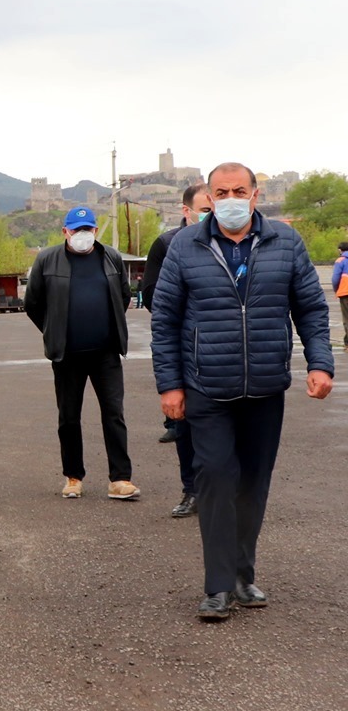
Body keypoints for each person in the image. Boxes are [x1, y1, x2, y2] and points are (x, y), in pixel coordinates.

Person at [151, 162, 333, 622]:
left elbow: (311, 308)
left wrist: (320, 363)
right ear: (209, 199)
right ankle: (217, 586)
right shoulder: (185, 247)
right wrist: (170, 385)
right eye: (221, 192)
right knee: (214, 477)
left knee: (253, 483)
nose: (230, 199)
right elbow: (165, 321)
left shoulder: (285, 242)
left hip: (265, 385)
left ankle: (241, 575)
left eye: (238, 190)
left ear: (254, 195)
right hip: (206, 386)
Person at [24, 206, 140, 501]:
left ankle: (120, 479)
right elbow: (33, 303)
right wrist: (53, 329)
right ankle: (73, 477)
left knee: (114, 414)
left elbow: (124, 295)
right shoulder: (47, 259)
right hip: (67, 355)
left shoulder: (111, 257)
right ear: (65, 231)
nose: (82, 234)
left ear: (95, 230)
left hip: (106, 354)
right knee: (69, 418)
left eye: (88, 229)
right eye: (77, 230)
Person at [141, 183, 213, 517]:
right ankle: (192, 490)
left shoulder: (234, 244)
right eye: (206, 209)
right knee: (185, 426)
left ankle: (229, 492)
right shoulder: (167, 244)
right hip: (186, 348)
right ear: (187, 210)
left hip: (226, 350)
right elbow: (152, 296)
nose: (213, 214)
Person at [331, 241, 348, 352]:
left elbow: (335, 278)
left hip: (345, 292)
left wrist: (336, 290)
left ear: (340, 250)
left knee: (347, 319)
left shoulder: (340, 260)